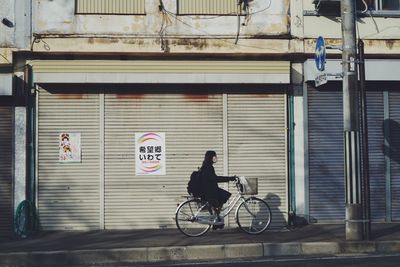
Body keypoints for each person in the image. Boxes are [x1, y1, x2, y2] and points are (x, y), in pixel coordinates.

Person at [199, 150, 236, 230]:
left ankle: (217, 220)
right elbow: (215, 178)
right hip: (210, 191)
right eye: (215, 156)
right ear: (211, 157)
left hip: (210, 189)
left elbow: (213, 178)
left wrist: (229, 179)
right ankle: (217, 220)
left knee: (220, 201)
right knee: (224, 196)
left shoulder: (206, 166)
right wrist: (229, 178)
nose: (216, 158)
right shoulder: (208, 167)